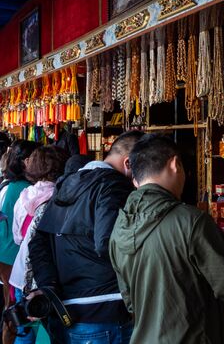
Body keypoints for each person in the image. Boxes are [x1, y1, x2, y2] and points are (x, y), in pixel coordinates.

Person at [109, 134, 224, 344]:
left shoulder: (121, 224)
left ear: (135, 179)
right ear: (175, 164)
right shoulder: (191, 222)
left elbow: (131, 303)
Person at [28, 131, 144, 344]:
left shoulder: (69, 184)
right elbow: (109, 243)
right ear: (128, 163)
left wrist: (49, 287)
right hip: (105, 313)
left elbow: (38, 242)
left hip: (67, 312)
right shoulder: (113, 185)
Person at [10, 146, 68, 344]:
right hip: (47, 278)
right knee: (51, 332)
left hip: (21, 274)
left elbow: (17, 237)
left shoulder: (25, 195)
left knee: (24, 332)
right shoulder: (60, 198)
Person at [0, 140, 41, 344]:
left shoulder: (10, 185)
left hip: (6, 254)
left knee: (11, 309)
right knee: (18, 314)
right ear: (26, 161)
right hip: (14, 257)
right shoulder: (29, 190)